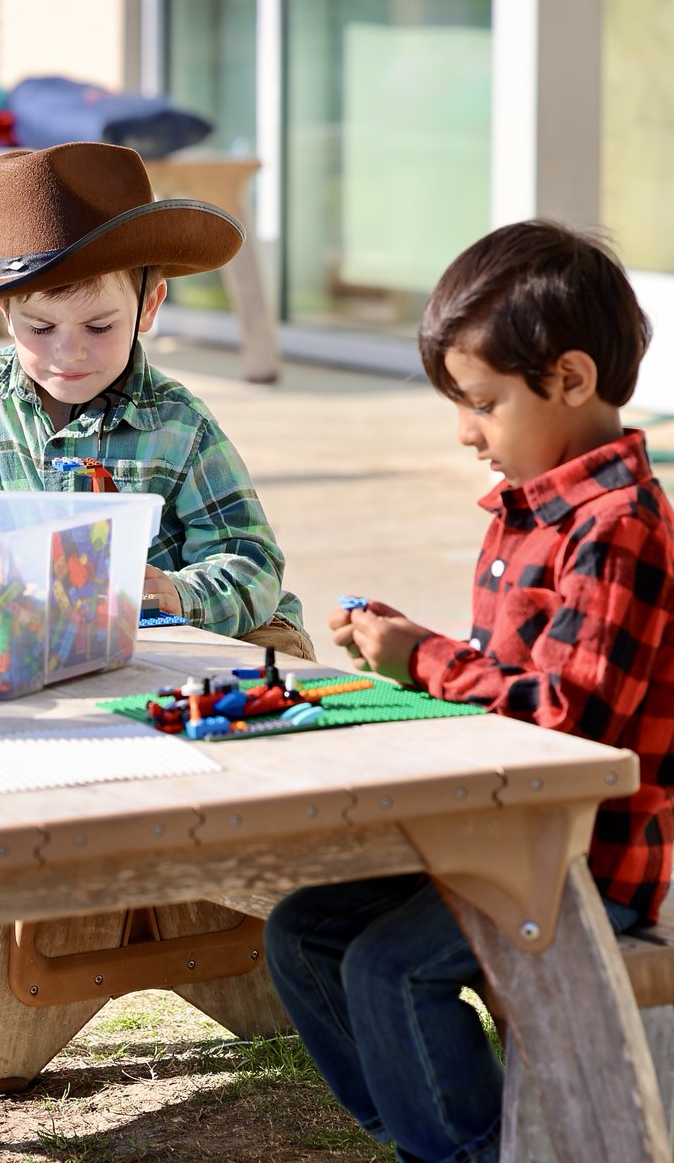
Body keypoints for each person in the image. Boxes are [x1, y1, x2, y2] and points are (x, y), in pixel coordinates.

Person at [263, 219, 674, 1163]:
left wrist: (425, 659)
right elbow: (513, 681)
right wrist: (421, 651)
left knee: (390, 969)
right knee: (303, 932)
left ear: (571, 379)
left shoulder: (617, 528)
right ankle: (434, 1134)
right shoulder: (535, 511)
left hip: (582, 863)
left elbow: (571, 723)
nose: (465, 432)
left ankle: (467, 1151)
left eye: (483, 403)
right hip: (495, 836)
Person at [0, 141, 312, 656]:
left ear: (149, 306)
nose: (69, 352)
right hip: (46, 626)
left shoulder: (177, 423)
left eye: (99, 326)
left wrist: (178, 595)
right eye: (41, 328)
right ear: (4, 313)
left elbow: (252, 562)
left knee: (272, 659)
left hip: (186, 629)